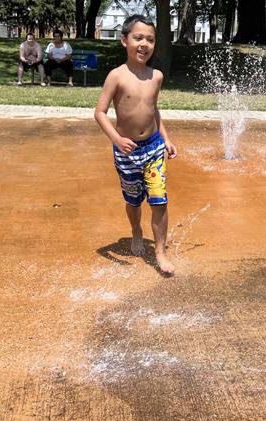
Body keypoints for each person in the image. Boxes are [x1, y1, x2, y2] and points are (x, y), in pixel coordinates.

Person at [94, 14, 178, 275]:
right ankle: (136, 230)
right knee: (133, 200)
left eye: (150, 39)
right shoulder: (116, 76)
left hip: (152, 148)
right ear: (124, 40)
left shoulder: (156, 77)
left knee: (159, 199)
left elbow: (154, 110)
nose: (144, 44)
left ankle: (160, 251)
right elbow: (99, 112)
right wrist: (117, 139)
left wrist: (166, 138)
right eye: (138, 38)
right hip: (126, 151)